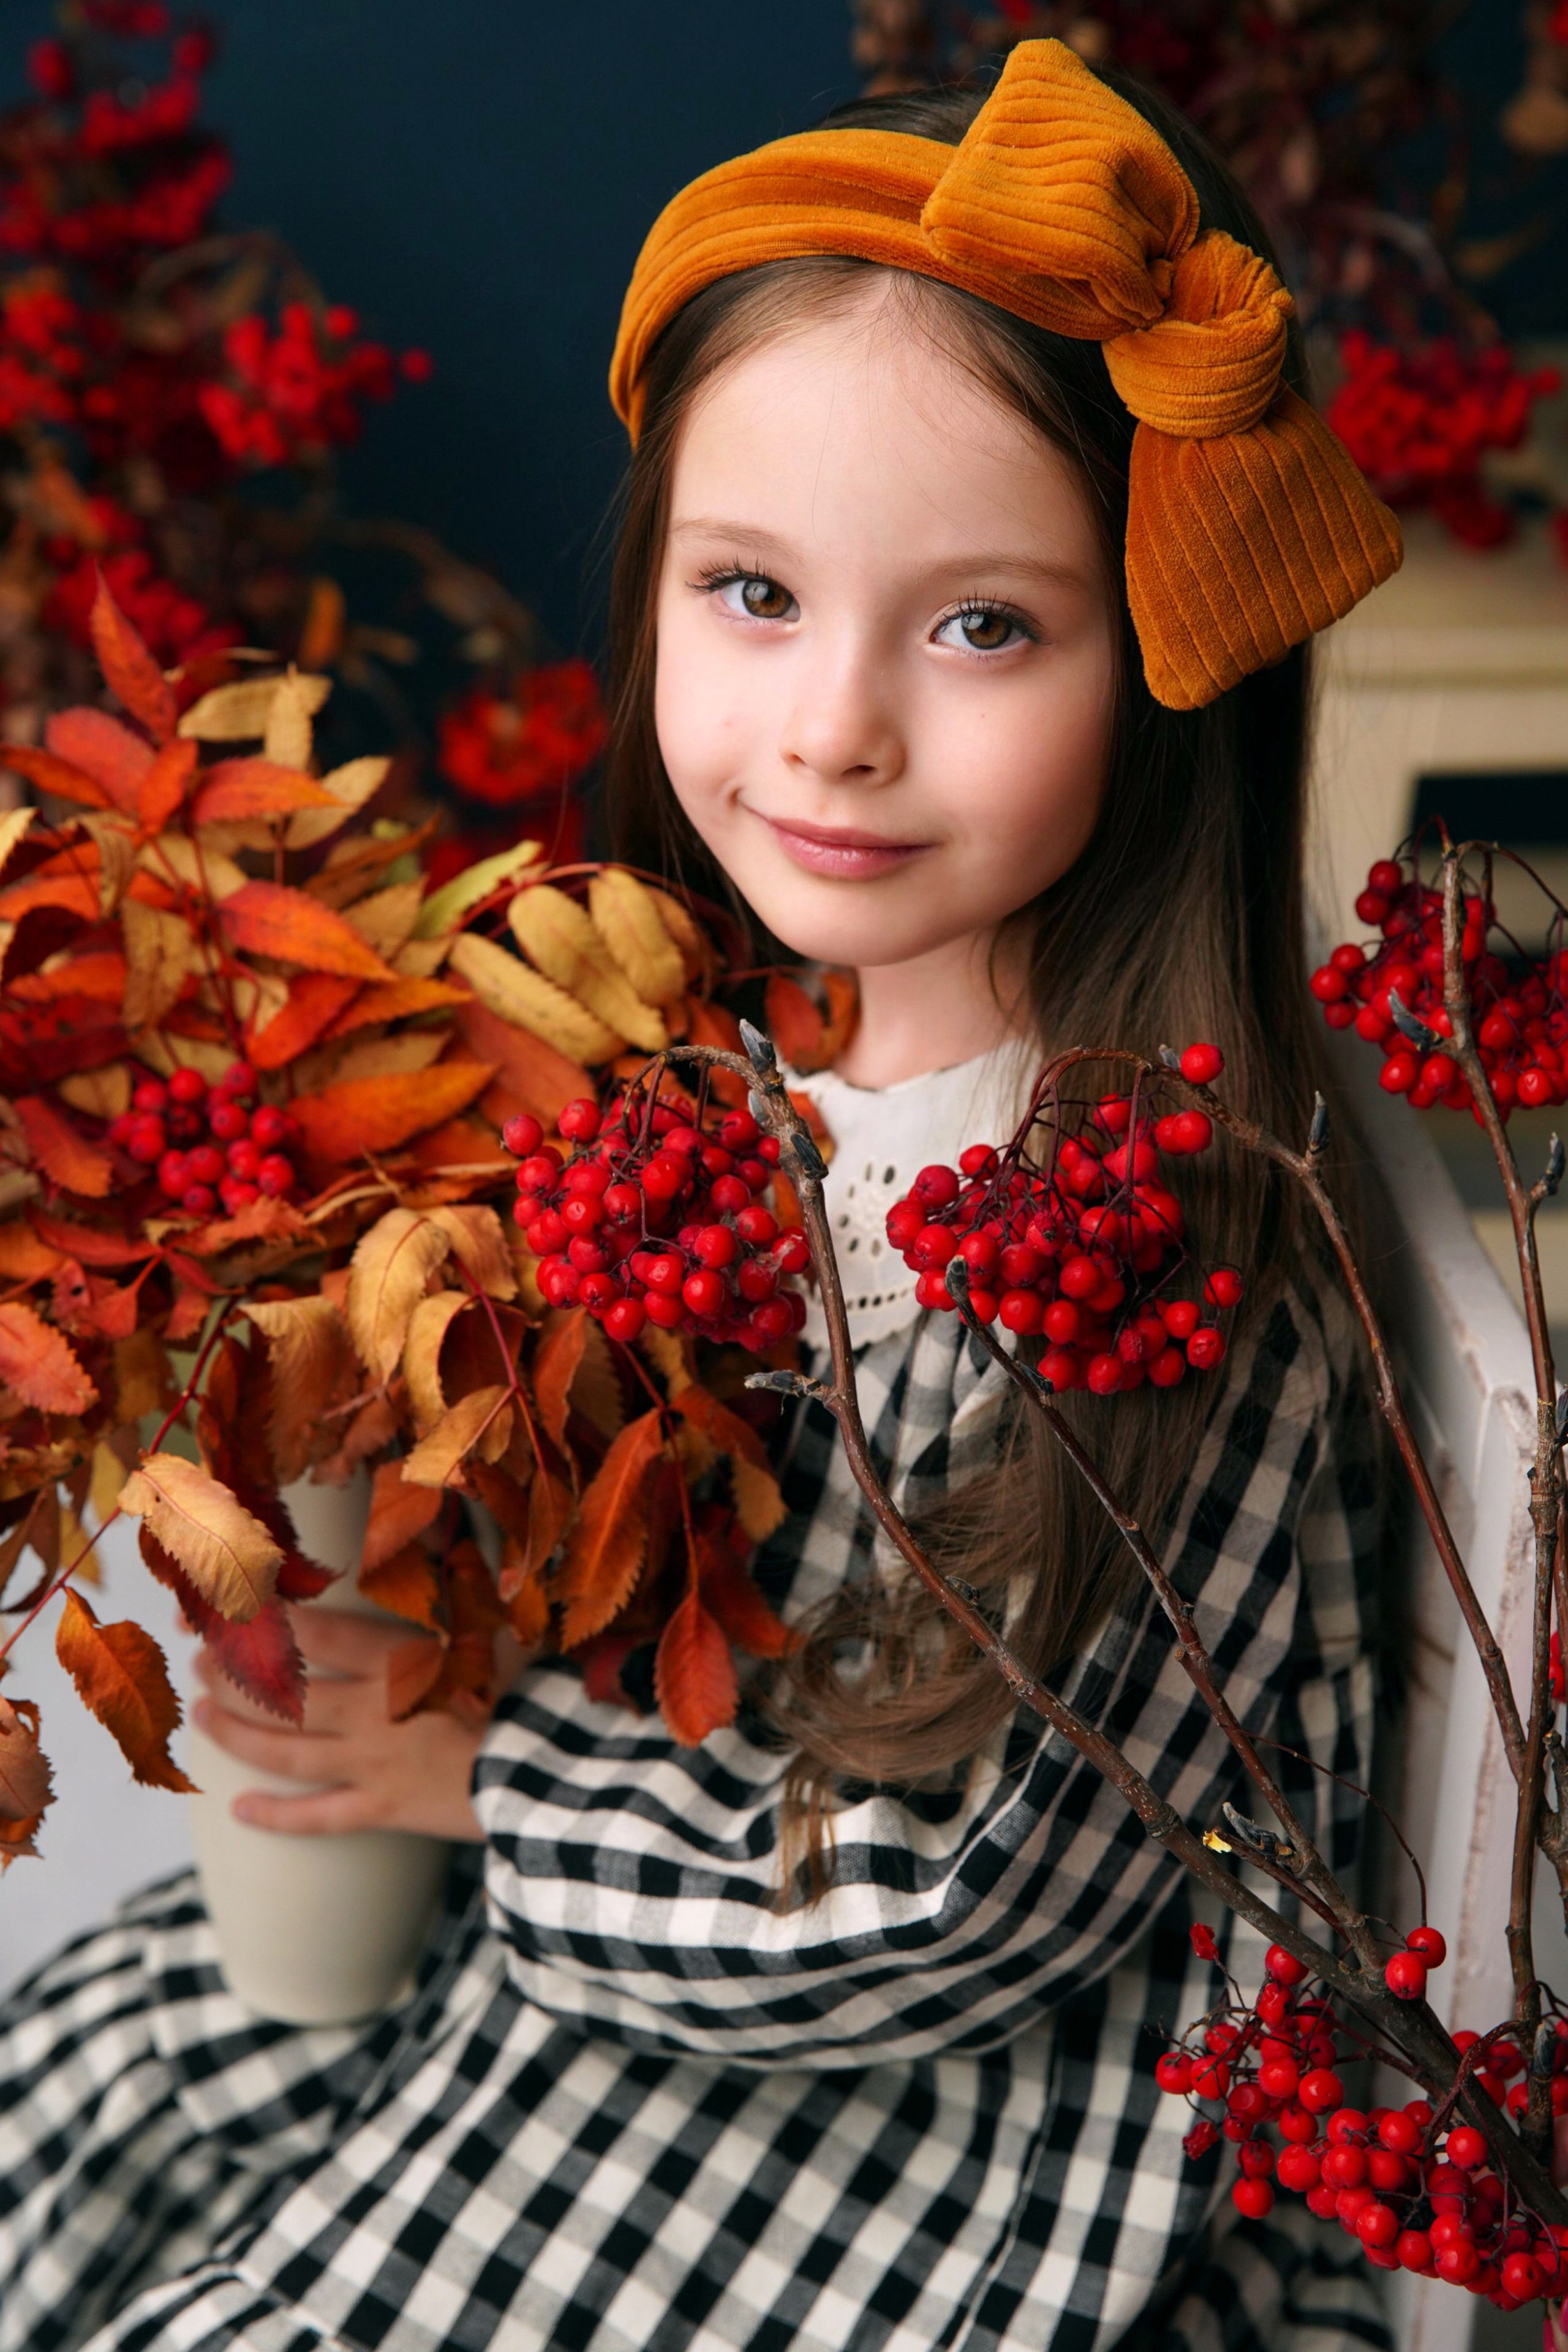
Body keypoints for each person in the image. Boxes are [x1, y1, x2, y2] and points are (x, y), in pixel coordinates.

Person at [0, 40, 1399, 2352]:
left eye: (980, 628)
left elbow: (963, 1898)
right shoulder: (699, 1079)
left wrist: (480, 1778)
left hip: (924, 2130)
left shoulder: (1146, 1249)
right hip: (613, 1946)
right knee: (101, 2075)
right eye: (754, 593)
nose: (837, 723)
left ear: (1167, 672)